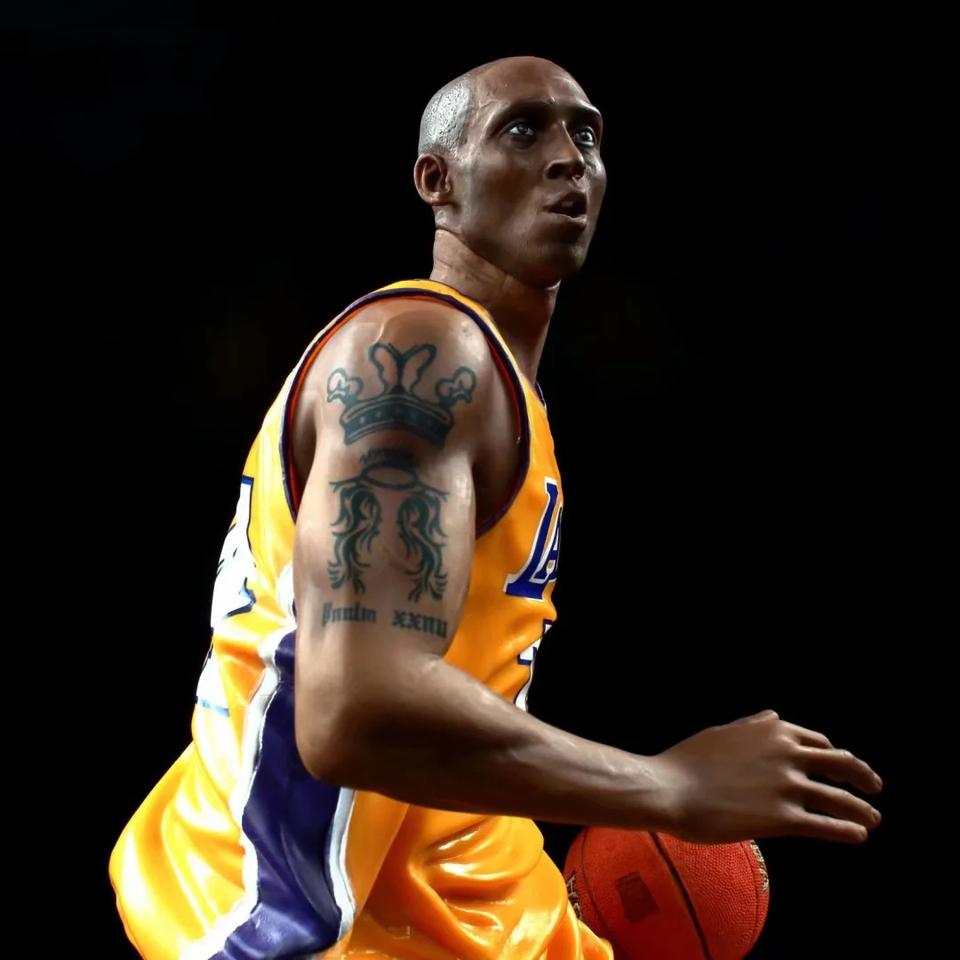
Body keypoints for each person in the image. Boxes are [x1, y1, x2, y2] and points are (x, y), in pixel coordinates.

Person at [110, 56, 883, 960]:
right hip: (302, 922)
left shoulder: (501, 386)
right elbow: (356, 708)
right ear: (437, 181)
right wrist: (669, 787)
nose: (569, 158)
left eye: (587, 135)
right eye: (523, 129)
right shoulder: (421, 353)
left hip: (451, 896)